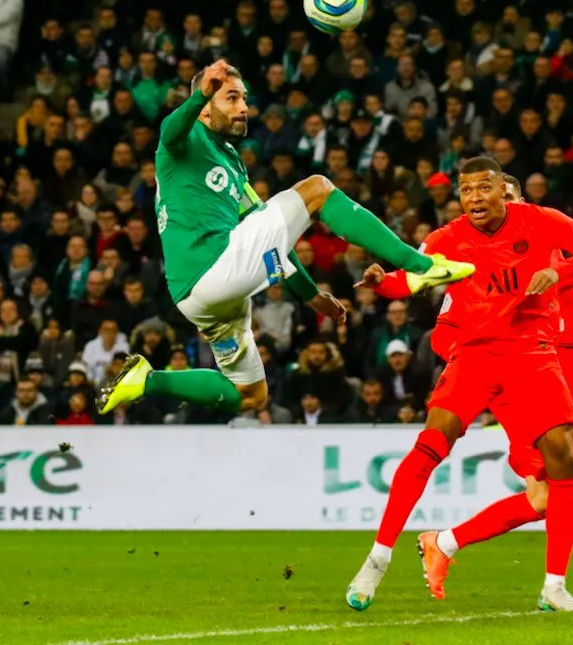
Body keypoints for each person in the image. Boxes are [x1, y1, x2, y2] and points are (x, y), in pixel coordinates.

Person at [98, 60, 473, 417]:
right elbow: (168, 132)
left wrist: (313, 299)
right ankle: (420, 266)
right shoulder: (186, 137)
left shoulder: (232, 162)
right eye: (231, 97)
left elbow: (271, 248)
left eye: (244, 97)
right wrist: (198, 94)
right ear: (205, 108)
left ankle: (148, 381)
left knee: (251, 396)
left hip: (197, 296)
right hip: (211, 265)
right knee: (318, 189)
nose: (243, 106)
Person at [344, 156, 573, 613]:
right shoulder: (449, 238)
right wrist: (382, 283)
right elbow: (412, 277)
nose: (474, 197)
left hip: (532, 352)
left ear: (502, 191)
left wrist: (561, 271)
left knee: (564, 460)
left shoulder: (541, 222)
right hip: (475, 356)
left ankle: (555, 586)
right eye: (466, 190)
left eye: (483, 188)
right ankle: (378, 558)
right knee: (431, 442)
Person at [412, 176, 573, 604]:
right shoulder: (474, 274)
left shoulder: (541, 254)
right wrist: (486, 361)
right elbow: (443, 337)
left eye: (514, 201)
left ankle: (445, 544)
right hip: (515, 396)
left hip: (547, 394)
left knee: (544, 496)